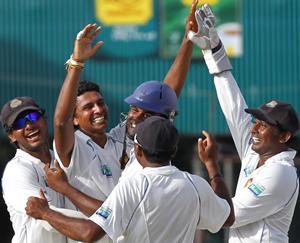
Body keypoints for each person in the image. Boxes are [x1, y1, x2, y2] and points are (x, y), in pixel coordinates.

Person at [50, 0, 199, 220]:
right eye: (88, 107)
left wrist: (188, 40)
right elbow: (60, 122)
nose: (98, 109)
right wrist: (76, 63)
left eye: (100, 102)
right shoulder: (74, 147)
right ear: (74, 119)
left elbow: (164, 97)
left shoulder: (121, 137)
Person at [26, 116, 235, 242]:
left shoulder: (134, 186)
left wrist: (45, 212)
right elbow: (228, 217)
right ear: (173, 151)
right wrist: (211, 165)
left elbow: (89, 233)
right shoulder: (195, 184)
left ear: (138, 150)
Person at [189, 4, 300, 242]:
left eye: (264, 125)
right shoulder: (255, 153)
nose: (254, 128)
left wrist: (212, 167)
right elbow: (235, 109)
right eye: (257, 121)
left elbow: (228, 216)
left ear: (284, 137)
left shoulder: (280, 172)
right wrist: (214, 50)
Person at [0, 96, 67, 243]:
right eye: (19, 123)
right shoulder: (16, 171)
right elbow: (52, 218)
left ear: (44, 119)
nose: (29, 125)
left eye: (33, 116)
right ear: (11, 136)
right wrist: (99, 222)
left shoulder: (62, 158)